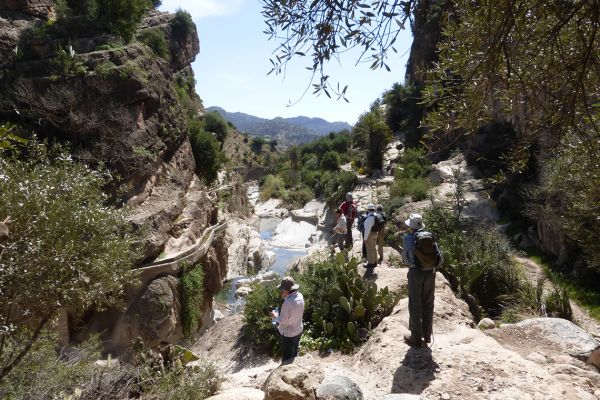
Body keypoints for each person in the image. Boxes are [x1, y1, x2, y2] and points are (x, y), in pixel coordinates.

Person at [402, 213, 442, 347]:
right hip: (430, 274)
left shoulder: (408, 238)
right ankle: (427, 335)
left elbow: (406, 260)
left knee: (415, 305)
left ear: (410, 226)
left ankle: (415, 337)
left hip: (415, 273)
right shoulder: (430, 237)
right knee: (428, 304)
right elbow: (439, 259)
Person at [271, 276, 305, 361]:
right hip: (298, 330)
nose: (281, 292)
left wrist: (275, 315)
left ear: (287, 290)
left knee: (287, 358)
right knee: (294, 354)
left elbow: (283, 321)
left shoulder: (288, 302)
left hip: (288, 334)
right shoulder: (300, 296)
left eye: (282, 290)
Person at [362, 203, 378, 268]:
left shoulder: (369, 218)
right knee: (374, 248)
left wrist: (365, 238)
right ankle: (375, 262)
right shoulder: (376, 215)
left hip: (370, 234)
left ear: (368, 210)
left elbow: (367, 230)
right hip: (375, 233)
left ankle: (370, 263)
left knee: (369, 249)